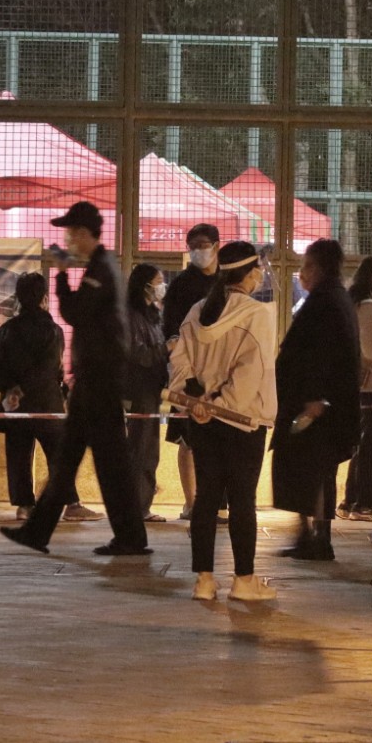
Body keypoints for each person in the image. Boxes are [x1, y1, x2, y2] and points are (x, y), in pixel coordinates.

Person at [0, 201, 150, 556]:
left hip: (100, 381)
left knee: (105, 464)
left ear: (83, 233)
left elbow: (75, 313)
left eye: (70, 233)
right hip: (94, 380)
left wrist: (62, 275)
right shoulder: (103, 266)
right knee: (73, 461)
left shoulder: (101, 269)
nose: (67, 240)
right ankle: (40, 532)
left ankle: (128, 537)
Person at [169, 240, 278, 601]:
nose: (261, 274)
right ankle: (244, 580)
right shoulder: (258, 314)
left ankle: (204, 580)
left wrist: (196, 401)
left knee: (206, 498)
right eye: (259, 268)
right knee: (242, 499)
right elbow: (251, 372)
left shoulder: (198, 310)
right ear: (249, 274)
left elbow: (180, 362)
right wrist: (219, 404)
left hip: (201, 422)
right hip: (242, 421)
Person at [272, 239, 361, 561]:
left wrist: (314, 398)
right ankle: (311, 536)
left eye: (307, 265)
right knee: (315, 473)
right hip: (323, 405)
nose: (302, 272)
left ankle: (316, 539)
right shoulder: (333, 298)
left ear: (320, 267)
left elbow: (321, 356)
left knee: (312, 473)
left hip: (316, 408)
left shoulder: (326, 302)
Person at [0, 273, 91, 522]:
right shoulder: (53, 331)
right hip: (47, 403)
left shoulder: (6, 330)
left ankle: (24, 505)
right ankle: (71, 504)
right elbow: (54, 368)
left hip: (15, 403)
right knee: (59, 455)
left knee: (19, 456)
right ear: (45, 298)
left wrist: (11, 388)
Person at [162, 222, 220, 521]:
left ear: (216, 246)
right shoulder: (181, 284)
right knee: (188, 438)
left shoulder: (225, 281)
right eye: (192, 246)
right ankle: (192, 503)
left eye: (203, 245)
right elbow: (170, 327)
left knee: (217, 439)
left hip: (220, 370)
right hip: (189, 369)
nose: (198, 251)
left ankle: (214, 502)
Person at [339, 256, 372, 520]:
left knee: (364, 446)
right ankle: (365, 503)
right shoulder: (370, 308)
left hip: (362, 387)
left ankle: (353, 501)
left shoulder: (357, 304)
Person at [126, 262, 169, 523]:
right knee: (141, 449)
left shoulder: (152, 316)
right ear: (144, 286)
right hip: (139, 390)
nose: (162, 286)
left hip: (152, 390)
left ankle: (142, 504)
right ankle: (136, 507)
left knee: (149, 450)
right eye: (158, 281)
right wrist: (167, 349)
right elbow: (138, 355)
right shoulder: (131, 317)